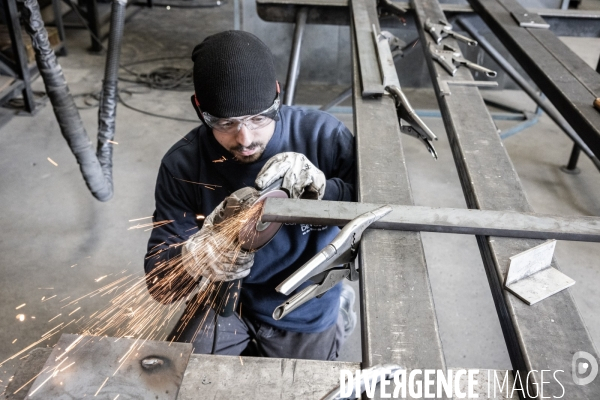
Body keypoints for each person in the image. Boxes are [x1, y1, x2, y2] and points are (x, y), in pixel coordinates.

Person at [144, 30, 356, 361]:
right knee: (176, 377)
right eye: (226, 123)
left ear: (276, 95)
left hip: (304, 306)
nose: (245, 138)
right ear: (200, 109)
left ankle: (339, 308)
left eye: (258, 118)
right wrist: (193, 257)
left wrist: (327, 190)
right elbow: (160, 285)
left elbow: (386, 210)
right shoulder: (183, 164)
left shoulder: (322, 136)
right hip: (228, 301)